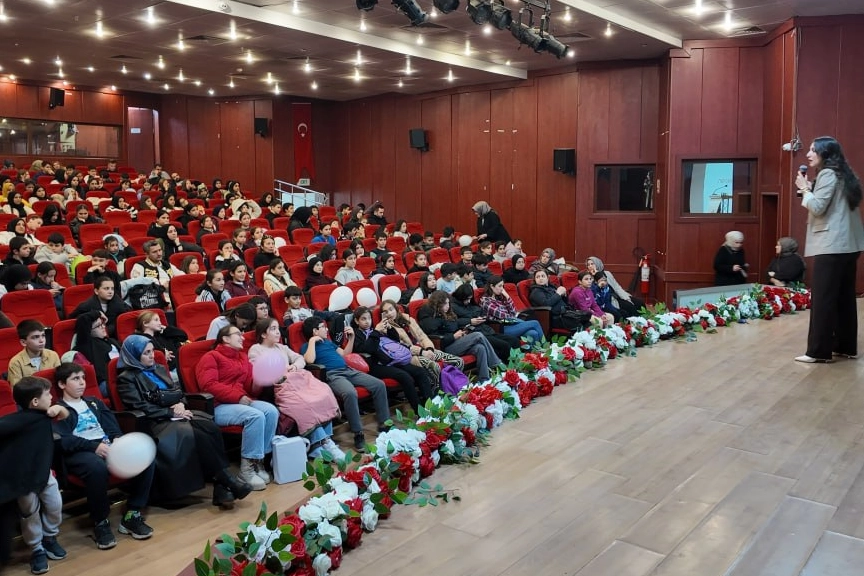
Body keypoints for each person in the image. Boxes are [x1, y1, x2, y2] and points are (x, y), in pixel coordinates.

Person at [116, 335, 252, 507]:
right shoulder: (127, 378)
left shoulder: (159, 369)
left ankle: (222, 484)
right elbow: (139, 406)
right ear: (135, 356)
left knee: (210, 426)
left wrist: (180, 404)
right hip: (154, 421)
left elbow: (178, 391)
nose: (152, 356)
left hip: (177, 415)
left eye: (152, 351)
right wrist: (170, 411)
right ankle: (227, 481)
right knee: (195, 434)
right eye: (146, 353)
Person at [53, 362, 155, 550]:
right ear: (61, 384)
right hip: (80, 452)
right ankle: (101, 522)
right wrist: (93, 447)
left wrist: (117, 439)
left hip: (106, 445)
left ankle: (132, 514)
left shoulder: (94, 402)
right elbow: (64, 441)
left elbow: (111, 426)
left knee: (145, 459)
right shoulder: (59, 409)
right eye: (75, 379)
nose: (82, 383)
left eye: (83, 378)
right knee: (96, 467)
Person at [794, 136, 864, 363]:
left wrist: (805, 189)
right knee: (844, 297)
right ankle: (845, 346)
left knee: (823, 299)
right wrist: (810, 188)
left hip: (832, 245)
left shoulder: (827, 174)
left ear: (826, 153)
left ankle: (818, 351)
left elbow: (818, 207)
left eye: (814, 150)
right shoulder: (844, 174)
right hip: (849, 245)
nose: (808, 154)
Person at [247, 318, 345, 461]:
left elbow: (300, 358)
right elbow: (259, 369)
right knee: (305, 404)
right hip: (280, 385)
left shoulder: (281, 347)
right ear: (263, 334)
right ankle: (325, 442)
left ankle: (318, 445)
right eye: (273, 329)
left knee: (324, 392)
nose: (278, 332)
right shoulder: (256, 349)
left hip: (298, 379)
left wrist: (295, 366)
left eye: (277, 328)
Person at [196, 325, 279, 490]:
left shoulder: (242, 357)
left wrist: (260, 379)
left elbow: (250, 388)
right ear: (225, 338)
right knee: (255, 416)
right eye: (238, 334)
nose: (242, 337)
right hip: (219, 406)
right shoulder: (211, 357)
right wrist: (238, 397)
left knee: (271, 411)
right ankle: (246, 469)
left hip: (241, 401)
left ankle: (258, 462)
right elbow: (208, 385)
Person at [5, 377, 68, 575]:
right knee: (29, 513)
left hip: (44, 473)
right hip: (23, 479)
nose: (52, 397)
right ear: (34, 402)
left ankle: (50, 537)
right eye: (48, 394)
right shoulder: (17, 421)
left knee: (55, 504)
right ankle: (36, 549)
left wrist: (58, 409)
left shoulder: (46, 415)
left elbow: (65, 414)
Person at [301, 316, 390, 451]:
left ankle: (384, 423)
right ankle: (358, 433)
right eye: (323, 327)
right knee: (349, 393)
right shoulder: (307, 346)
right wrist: (312, 341)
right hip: (332, 375)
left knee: (378, 384)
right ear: (314, 331)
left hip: (348, 370)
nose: (326, 329)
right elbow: (309, 360)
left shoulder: (329, 343)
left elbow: (345, 354)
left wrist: (351, 338)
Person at [350, 307, 434, 411]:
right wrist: (376, 332)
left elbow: (395, 340)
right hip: (375, 365)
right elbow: (368, 349)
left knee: (420, 372)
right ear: (356, 321)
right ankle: (419, 411)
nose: (367, 322)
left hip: (391, 359)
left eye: (369, 318)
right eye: (363, 319)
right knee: (404, 376)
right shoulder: (356, 334)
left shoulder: (374, 330)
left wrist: (389, 328)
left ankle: (430, 407)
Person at [417, 290, 504, 381]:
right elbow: (435, 338)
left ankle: (485, 379)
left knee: (480, 348)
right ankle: (497, 365)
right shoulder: (428, 316)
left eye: (448, 303)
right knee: (478, 335)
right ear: (437, 304)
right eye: (445, 304)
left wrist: (462, 332)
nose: (448, 306)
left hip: (455, 342)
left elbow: (453, 325)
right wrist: (453, 336)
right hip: (443, 348)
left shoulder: (446, 313)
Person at [449, 284, 520, 361]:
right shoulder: (452, 307)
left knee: (514, 340)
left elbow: (481, 312)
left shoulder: (471, 304)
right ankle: (506, 369)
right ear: (461, 297)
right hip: (474, 334)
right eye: (467, 299)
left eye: (470, 298)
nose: (469, 301)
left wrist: (482, 317)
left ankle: (518, 364)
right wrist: (470, 321)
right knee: (504, 345)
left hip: (486, 330)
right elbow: (453, 322)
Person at [479, 275, 544, 345]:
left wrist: (507, 296)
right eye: (500, 286)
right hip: (501, 328)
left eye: (503, 286)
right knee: (535, 323)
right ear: (492, 286)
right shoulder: (486, 301)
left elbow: (513, 312)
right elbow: (503, 316)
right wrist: (511, 316)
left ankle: (536, 355)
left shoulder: (500, 298)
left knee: (533, 333)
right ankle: (546, 349)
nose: (502, 289)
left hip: (511, 324)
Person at [69, 311, 120, 397]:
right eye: (98, 326)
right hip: (105, 382)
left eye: (103, 324)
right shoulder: (86, 343)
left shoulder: (111, 341)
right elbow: (83, 319)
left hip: (121, 377)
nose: (103, 327)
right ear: (89, 330)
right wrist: (98, 313)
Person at [135, 310, 187, 379]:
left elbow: (183, 336)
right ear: (145, 323)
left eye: (160, 320)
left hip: (179, 366)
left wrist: (166, 328)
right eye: (156, 320)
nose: (160, 323)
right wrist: (163, 353)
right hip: (162, 371)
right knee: (185, 377)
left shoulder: (163, 334)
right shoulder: (140, 339)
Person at [7, 320, 61, 386]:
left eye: (43, 335)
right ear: (23, 342)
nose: (41, 340)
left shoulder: (53, 355)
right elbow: (17, 392)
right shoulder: (16, 362)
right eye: (35, 337)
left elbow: (59, 382)